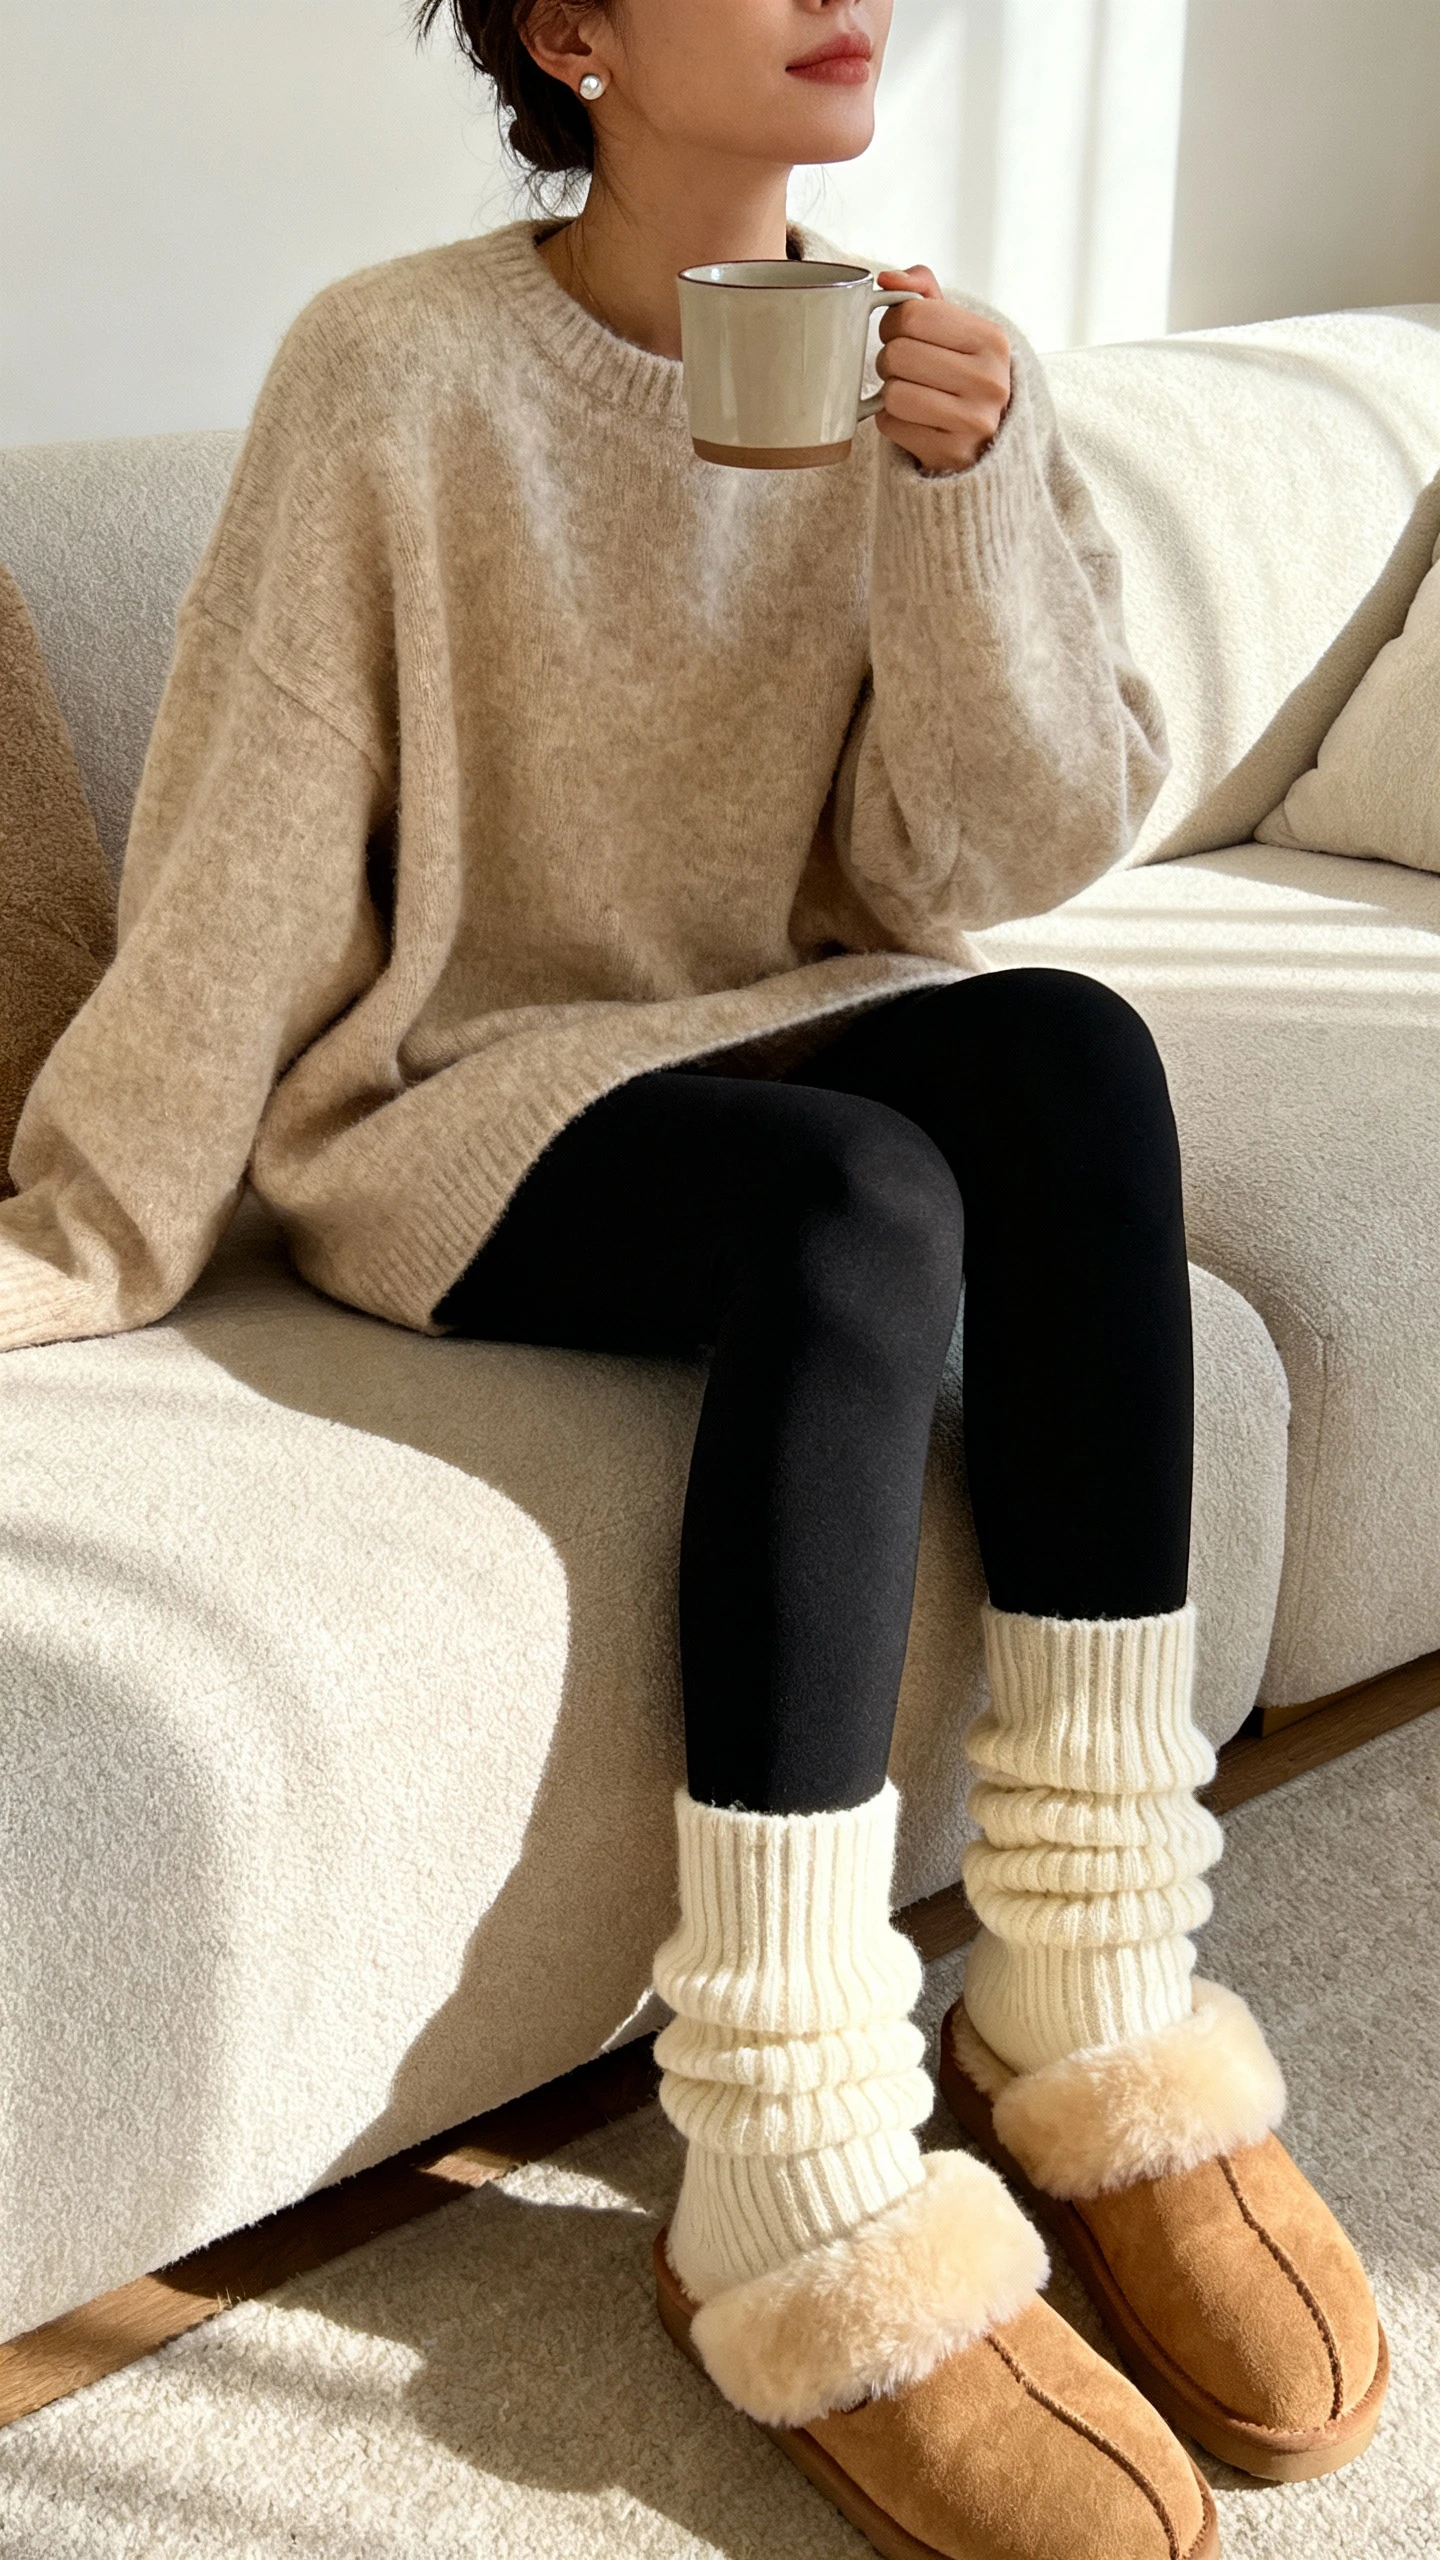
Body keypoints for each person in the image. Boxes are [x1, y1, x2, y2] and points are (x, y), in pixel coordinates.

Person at [0, 4, 1384, 2551]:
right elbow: (250, 838)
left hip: (766, 1027)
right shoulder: (395, 368)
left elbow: (988, 855)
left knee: (1067, 1058)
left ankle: (1090, 1994)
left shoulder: (930, 366)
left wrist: (964, 495)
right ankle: (788, 2135)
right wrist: (88, 1231)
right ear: (581, 36)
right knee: (857, 1211)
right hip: (450, 1109)